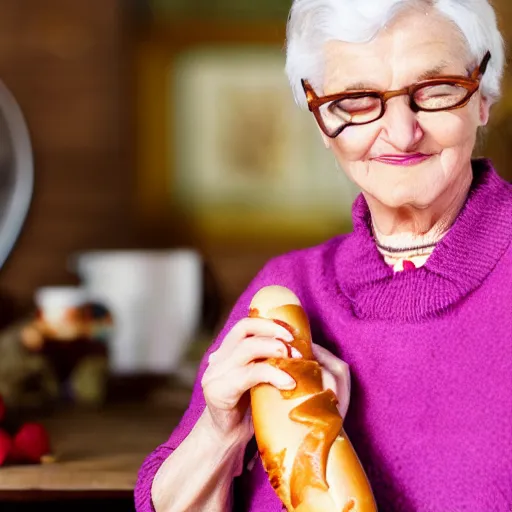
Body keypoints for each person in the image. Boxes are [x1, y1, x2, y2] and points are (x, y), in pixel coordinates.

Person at [135, 0, 512, 510]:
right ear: (319, 117)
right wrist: (221, 432)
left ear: (482, 96)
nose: (401, 132)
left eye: (436, 90)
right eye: (357, 99)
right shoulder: (288, 290)